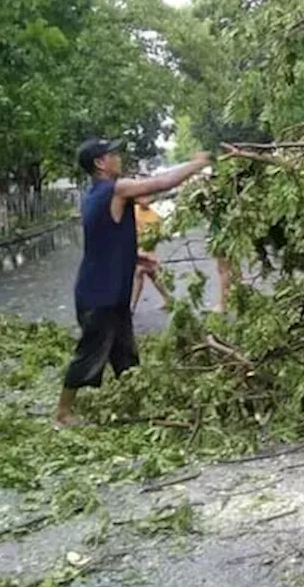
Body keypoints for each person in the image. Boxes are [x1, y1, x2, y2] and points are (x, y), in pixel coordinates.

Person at [54, 138, 211, 428]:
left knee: (125, 353)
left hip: (107, 292)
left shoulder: (94, 195)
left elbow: (103, 241)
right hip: (99, 294)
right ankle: (63, 414)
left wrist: (136, 257)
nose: (118, 157)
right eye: (112, 154)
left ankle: (137, 406)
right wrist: (197, 165)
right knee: (90, 353)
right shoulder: (116, 189)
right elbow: (161, 182)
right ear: (100, 163)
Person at [131, 195, 172, 312]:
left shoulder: (154, 217)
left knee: (140, 274)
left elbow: (154, 238)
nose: (144, 200)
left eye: (147, 198)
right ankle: (168, 299)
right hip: (135, 248)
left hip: (146, 250)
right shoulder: (134, 210)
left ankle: (132, 307)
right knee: (152, 276)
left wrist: (148, 253)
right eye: (142, 198)